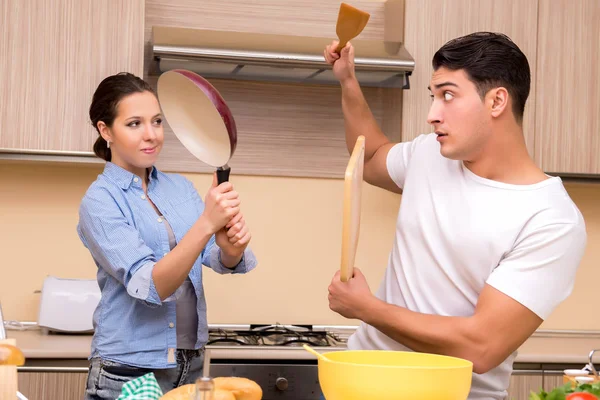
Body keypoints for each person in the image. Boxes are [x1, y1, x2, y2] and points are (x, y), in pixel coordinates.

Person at [323, 32, 587, 399]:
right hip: (359, 383)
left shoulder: (550, 219)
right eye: (433, 98)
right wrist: (348, 80)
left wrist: (367, 308)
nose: (432, 115)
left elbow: (481, 346)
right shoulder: (429, 155)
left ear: (496, 101)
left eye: (448, 95)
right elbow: (367, 158)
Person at [77, 72, 258, 399]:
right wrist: (206, 224)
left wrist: (231, 248)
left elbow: (213, 257)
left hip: (190, 363)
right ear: (106, 131)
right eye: (134, 124)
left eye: (157, 121)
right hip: (129, 370)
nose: (151, 135)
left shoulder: (180, 188)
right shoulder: (100, 200)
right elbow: (151, 286)